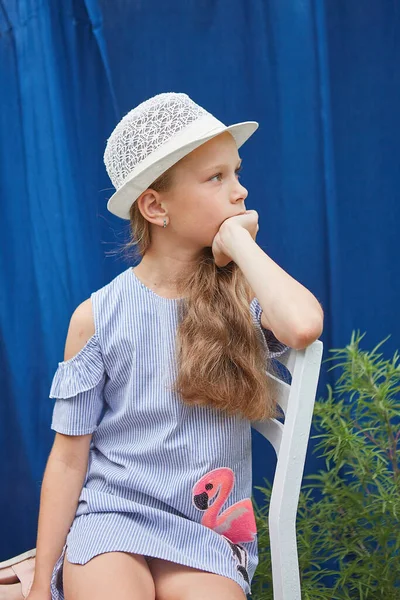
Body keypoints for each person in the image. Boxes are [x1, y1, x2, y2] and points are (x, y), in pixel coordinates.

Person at [28, 93, 324, 600]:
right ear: (155, 206)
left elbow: (301, 327)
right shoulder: (98, 318)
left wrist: (241, 245)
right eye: (217, 178)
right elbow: (68, 461)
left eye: (236, 172)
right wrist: (40, 585)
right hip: (112, 518)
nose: (241, 190)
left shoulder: (244, 299)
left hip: (205, 533)